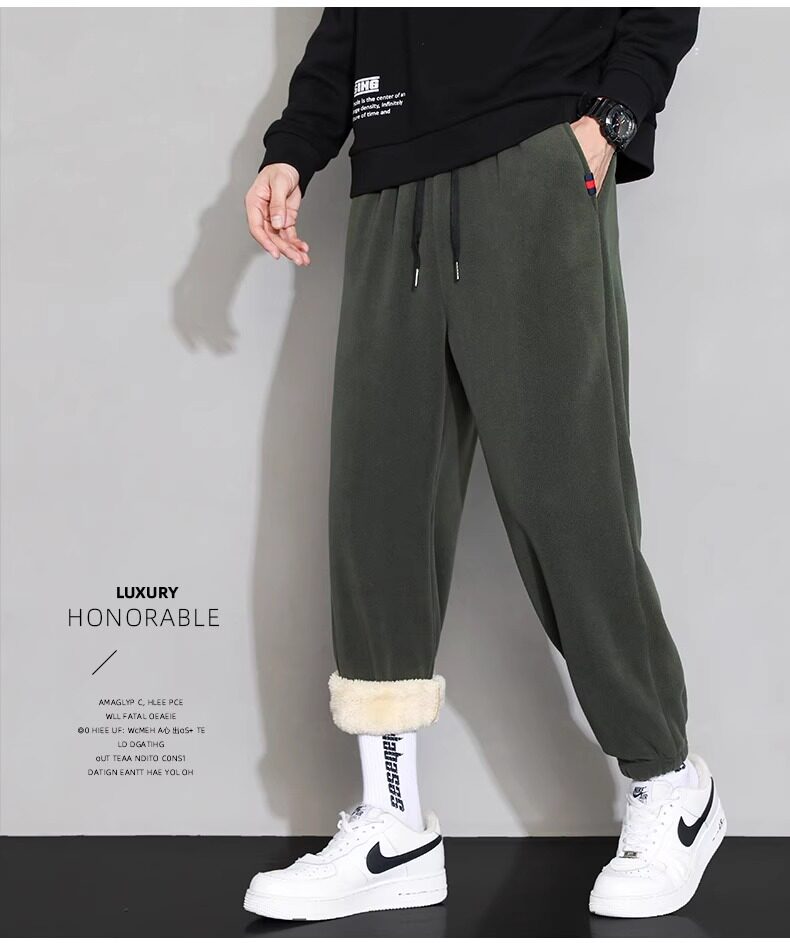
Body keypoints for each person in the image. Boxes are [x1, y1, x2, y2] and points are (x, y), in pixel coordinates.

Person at [242, 8, 725, 923]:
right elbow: (349, 25)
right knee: (378, 507)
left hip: (533, 161)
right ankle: (394, 826)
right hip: (391, 181)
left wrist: (609, 124)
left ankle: (670, 784)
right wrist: (292, 151)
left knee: (566, 502)